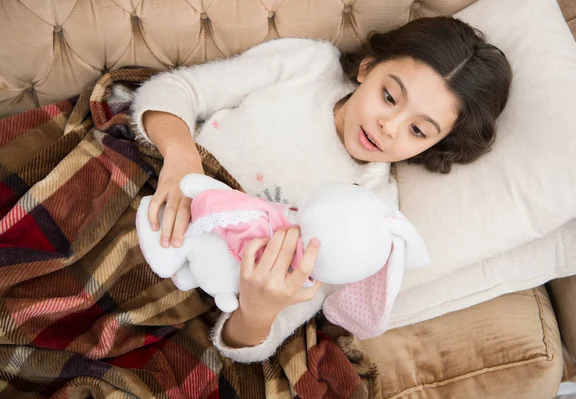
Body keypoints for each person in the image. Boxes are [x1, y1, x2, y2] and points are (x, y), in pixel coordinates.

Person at [131, 16, 512, 362]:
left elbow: (260, 337)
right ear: (368, 67)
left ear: (435, 145)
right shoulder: (309, 66)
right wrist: (181, 157)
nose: (389, 126)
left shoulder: (370, 211)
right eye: (389, 96)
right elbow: (174, 89)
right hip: (140, 188)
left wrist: (257, 311)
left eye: (417, 130)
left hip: (188, 289)